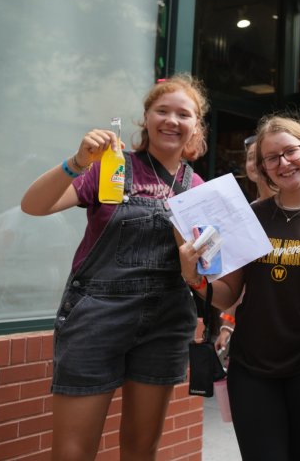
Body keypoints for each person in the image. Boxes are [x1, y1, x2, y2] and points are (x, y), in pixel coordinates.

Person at [20, 74, 209, 460]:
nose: (172, 120)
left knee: (141, 450)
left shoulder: (199, 188)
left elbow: (210, 272)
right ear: (146, 118)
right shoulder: (110, 167)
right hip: (97, 317)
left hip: (166, 323)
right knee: (72, 452)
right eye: (162, 111)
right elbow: (33, 206)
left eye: (183, 114)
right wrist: (76, 163)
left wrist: (195, 269)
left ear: (196, 126)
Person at [179, 114, 300, 461]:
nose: (283, 163)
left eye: (290, 151)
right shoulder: (251, 216)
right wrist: (194, 277)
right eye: (272, 158)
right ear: (264, 169)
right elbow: (228, 295)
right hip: (252, 368)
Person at [214, 134, 273, 353]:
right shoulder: (241, 215)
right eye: (250, 158)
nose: (256, 163)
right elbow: (237, 282)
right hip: (250, 331)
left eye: (263, 157)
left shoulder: (299, 213)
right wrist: (227, 325)